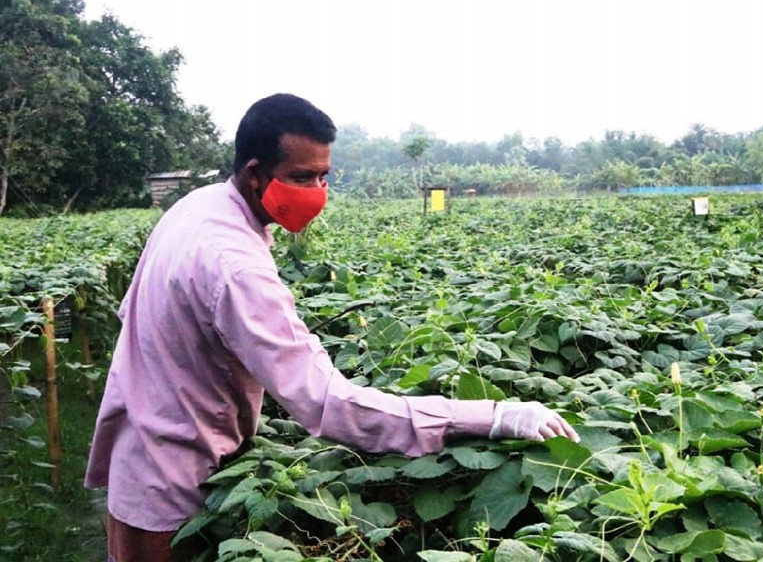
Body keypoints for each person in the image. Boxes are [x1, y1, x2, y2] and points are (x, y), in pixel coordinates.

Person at [84, 93, 579, 562]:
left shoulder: (199, 205)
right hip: (173, 475)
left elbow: (132, 312)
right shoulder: (234, 265)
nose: (316, 194)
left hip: (143, 444)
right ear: (255, 174)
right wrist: (491, 416)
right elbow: (329, 405)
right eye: (301, 177)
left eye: (323, 176)